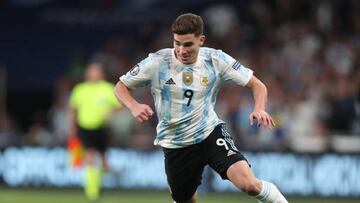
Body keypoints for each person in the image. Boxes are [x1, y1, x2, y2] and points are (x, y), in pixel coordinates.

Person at [114, 13, 288, 203]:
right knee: (186, 200)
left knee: (250, 185)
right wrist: (133, 105)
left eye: (187, 44)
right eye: (177, 43)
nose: (181, 50)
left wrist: (259, 108)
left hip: (209, 134)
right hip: (175, 145)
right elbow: (120, 86)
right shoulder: (157, 62)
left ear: (201, 40)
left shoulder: (215, 59)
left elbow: (257, 85)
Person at [69, 63, 122, 200]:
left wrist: (112, 112)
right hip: (85, 128)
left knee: (104, 161)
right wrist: (73, 128)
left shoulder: (108, 88)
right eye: (91, 71)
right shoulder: (80, 89)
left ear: (101, 74)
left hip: (102, 128)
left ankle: (99, 181)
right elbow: (73, 109)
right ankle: (92, 191)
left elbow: (120, 105)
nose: (94, 74)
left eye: (96, 71)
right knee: (90, 156)